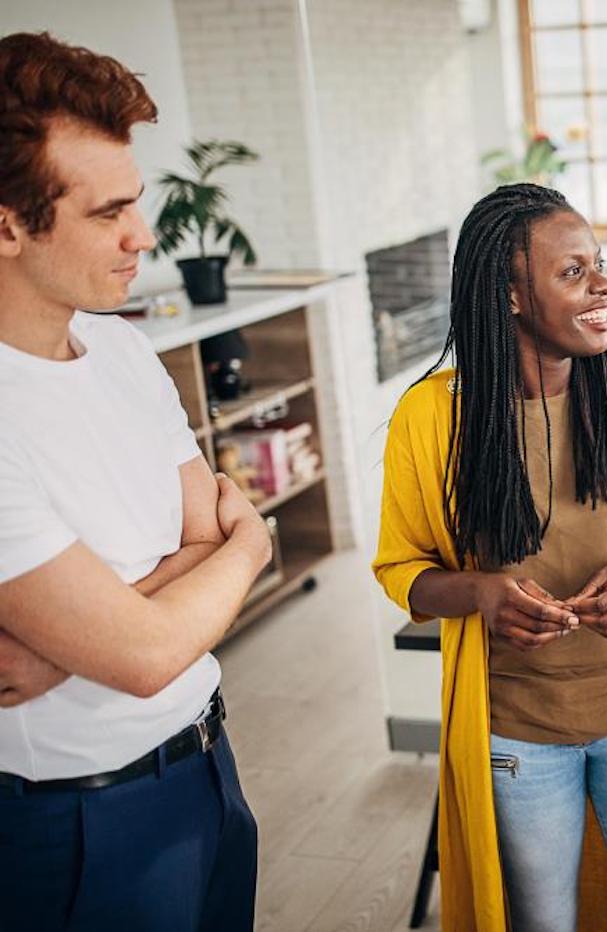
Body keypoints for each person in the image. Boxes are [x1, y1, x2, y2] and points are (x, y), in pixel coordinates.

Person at [372, 183, 607, 932]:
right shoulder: (431, 418)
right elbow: (402, 572)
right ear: (509, 294)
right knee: (542, 919)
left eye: (598, 265)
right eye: (572, 272)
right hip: (515, 727)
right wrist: (481, 593)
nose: (602, 284)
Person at [0, 32, 270, 931]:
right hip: (75, 817)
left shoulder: (119, 345)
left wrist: (91, 631)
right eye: (107, 212)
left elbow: (208, 538)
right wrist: (240, 549)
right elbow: (150, 655)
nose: (142, 236)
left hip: (206, 765)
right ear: (6, 223)